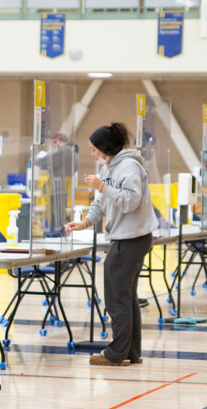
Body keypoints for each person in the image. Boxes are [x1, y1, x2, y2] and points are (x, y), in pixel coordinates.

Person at [64, 123, 157, 366]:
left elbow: (130, 201)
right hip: (126, 237)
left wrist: (103, 186)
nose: (93, 154)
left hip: (131, 239)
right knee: (127, 297)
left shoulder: (128, 167)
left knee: (117, 298)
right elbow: (101, 203)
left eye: (94, 149)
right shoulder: (108, 167)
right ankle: (131, 352)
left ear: (106, 148)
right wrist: (84, 223)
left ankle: (116, 353)